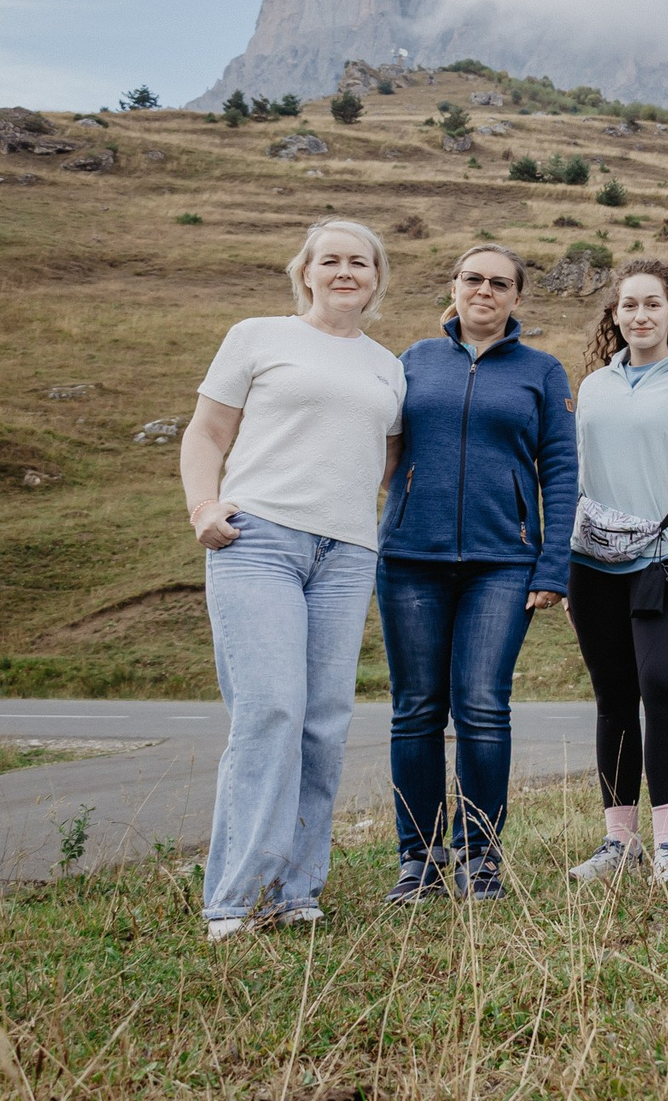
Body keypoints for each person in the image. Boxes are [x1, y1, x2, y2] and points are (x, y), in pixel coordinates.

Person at [181, 220, 405, 940]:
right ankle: (234, 900)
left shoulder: (387, 366)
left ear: (377, 277)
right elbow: (207, 432)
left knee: (323, 722)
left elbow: (387, 458)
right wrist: (203, 505)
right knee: (271, 707)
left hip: (346, 552)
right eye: (331, 260)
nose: (346, 271)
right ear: (305, 271)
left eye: (360, 262)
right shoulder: (258, 336)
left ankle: (296, 891)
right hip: (258, 539)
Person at [375, 243, 577, 904]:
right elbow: (380, 447)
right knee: (415, 709)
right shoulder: (412, 361)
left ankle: (480, 857)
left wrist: (554, 563)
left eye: (498, 282)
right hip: (409, 560)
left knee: (482, 704)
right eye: (472, 279)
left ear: (516, 297)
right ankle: (419, 858)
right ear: (453, 287)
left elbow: (562, 472)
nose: (483, 290)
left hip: (503, 563)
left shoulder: (542, 372)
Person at [565, 259, 668, 889]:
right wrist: (562, 561)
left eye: (651, 305)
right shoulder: (597, 388)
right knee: (613, 697)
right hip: (594, 563)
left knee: (662, 685)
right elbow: (576, 479)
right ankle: (620, 842)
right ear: (615, 314)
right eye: (628, 305)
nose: (639, 316)